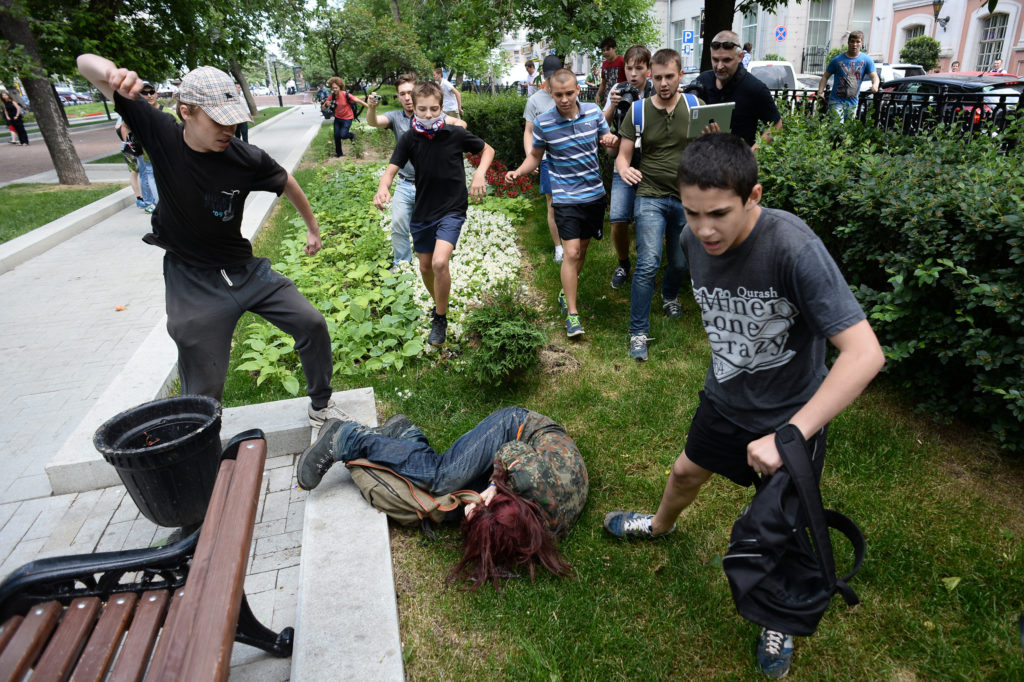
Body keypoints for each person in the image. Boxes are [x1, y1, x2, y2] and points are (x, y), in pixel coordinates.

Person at [603, 133, 885, 678]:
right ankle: (660, 526)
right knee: (685, 473)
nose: (704, 228)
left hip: (790, 421)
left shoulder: (792, 247)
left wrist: (792, 435)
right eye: (692, 212)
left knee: (778, 529)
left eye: (719, 214)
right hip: (725, 398)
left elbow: (865, 354)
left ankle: (776, 618)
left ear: (753, 196)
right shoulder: (690, 238)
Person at [77, 54, 352, 428]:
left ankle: (321, 406)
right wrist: (111, 73)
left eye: (235, 120)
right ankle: (199, 434)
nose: (229, 130)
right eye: (219, 121)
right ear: (186, 111)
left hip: (245, 270)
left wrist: (313, 228)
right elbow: (83, 63)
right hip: (192, 279)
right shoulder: (161, 134)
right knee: (205, 380)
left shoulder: (244, 157)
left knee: (311, 323)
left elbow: (285, 179)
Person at [296, 407, 589, 590]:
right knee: (442, 478)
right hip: (515, 428)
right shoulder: (528, 479)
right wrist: (496, 484)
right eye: (486, 505)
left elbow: (507, 534)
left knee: (445, 504)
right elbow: (511, 450)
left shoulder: (543, 527)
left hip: (536, 468)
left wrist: (480, 511)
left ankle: (406, 435)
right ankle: (346, 437)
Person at [373, 81, 494, 347]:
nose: (428, 115)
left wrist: (479, 174)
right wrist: (383, 188)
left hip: (452, 207)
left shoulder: (454, 133)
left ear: (442, 108)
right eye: (423, 109)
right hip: (423, 209)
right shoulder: (409, 138)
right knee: (426, 267)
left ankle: (440, 317)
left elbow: (487, 149)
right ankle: (439, 303)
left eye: (434, 109)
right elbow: (391, 170)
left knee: (440, 263)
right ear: (413, 108)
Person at [507, 68, 616, 338]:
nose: (565, 99)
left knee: (583, 250)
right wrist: (519, 171)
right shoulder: (544, 122)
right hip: (565, 197)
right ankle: (573, 315)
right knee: (572, 253)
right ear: (550, 93)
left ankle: (564, 293)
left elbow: (609, 147)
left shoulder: (593, 113)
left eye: (569, 93)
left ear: (578, 90)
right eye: (559, 95)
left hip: (594, 195)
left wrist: (611, 141)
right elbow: (535, 156)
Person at [615, 48, 699, 362]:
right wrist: (624, 169)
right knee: (648, 263)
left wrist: (712, 137)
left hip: (685, 197)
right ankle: (638, 332)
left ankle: (669, 295)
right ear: (652, 74)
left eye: (670, 77)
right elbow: (623, 156)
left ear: (680, 76)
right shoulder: (638, 111)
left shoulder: (695, 106)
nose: (664, 83)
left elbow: (710, 151)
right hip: (649, 195)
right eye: (659, 76)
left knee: (679, 263)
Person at [366, 74, 467, 268]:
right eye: (401, 94)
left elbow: (461, 125)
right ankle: (402, 262)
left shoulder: (432, 115)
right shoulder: (396, 117)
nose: (406, 97)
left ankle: (436, 258)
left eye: (409, 93)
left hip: (431, 186)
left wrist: (440, 133)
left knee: (437, 226)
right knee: (398, 224)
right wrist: (371, 108)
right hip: (406, 182)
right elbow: (373, 122)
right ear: (398, 97)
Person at [603, 44, 654, 290]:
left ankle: (646, 267)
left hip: (651, 165)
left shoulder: (657, 90)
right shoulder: (618, 89)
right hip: (622, 162)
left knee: (647, 220)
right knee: (618, 219)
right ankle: (623, 263)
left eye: (639, 68)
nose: (633, 74)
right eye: (629, 68)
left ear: (649, 70)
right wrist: (612, 105)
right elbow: (602, 124)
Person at [692, 31, 783, 147]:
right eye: (715, 60)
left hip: (738, 163)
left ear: (740, 57)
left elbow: (777, 125)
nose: (719, 66)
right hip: (704, 159)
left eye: (726, 60)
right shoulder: (703, 80)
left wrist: (752, 154)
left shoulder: (755, 88)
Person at [523, 55, 566, 263]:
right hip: (548, 158)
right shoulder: (535, 100)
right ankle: (559, 247)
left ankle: (571, 242)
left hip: (568, 157)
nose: (552, 81)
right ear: (544, 76)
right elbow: (528, 131)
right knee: (552, 203)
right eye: (549, 77)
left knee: (569, 202)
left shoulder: (567, 95)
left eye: (555, 76)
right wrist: (531, 157)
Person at [816, 30, 878, 121]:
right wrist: (820, 92)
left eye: (858, 42)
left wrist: (875, 85)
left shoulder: (867, 60)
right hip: (836, 101)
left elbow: (875, 77)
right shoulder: (837, 60)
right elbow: (825, 76)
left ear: (862, 43)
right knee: (838, 127)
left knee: (848, 130)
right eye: (852, 41)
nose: (854, 44)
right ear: (848, 42)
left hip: (853, 102)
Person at [323, 76, 369, 158]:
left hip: (347, 118)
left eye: (336, 88)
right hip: (338, 118)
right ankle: (339, 154)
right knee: (336, 135)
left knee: (343, 135)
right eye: (333, 88)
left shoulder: (345, 95)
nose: (334, 89)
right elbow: (323, 108)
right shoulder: (332, 96)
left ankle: (352, 136)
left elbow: (358, 100)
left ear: (340, 87)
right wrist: (326, 104)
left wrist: (370, 107)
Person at [113, 113, 144, 208]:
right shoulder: (128, 113)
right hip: (133, 147)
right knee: (138, 172)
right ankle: (140, 197)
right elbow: (118, 127)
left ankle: (140, 197)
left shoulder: (124, 114)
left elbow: (117, 127)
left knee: (135, 172)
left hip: (128, 147)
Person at [596, 37, 626, 107]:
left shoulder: (622, 61)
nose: (605, 52)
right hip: (608, 99)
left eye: (608, 49)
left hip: (621, 98)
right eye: (603, 50)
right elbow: (603, 83)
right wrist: (598, 94)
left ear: (614, 48)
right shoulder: (604, 64)